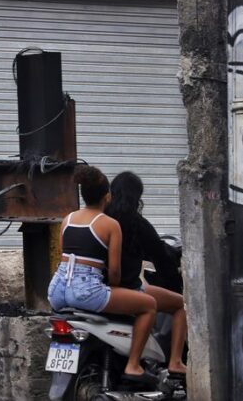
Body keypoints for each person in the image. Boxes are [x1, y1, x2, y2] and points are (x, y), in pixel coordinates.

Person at [47, 164, 157, 387]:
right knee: (149, 305)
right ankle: (133, 365)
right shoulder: (110, 224)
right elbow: (114, 271)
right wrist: (114, 286)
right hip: (86, 290)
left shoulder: (67, 219)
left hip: (57, 289)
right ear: (107, 196)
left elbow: (64, 257)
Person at [105, 170, 187, 378]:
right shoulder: (136, 224)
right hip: (126, 289)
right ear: (137, 197)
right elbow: (161, 257)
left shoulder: (100, 219)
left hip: (99, 289)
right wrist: (174, 283)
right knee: (181, 304)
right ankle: (176, 362)